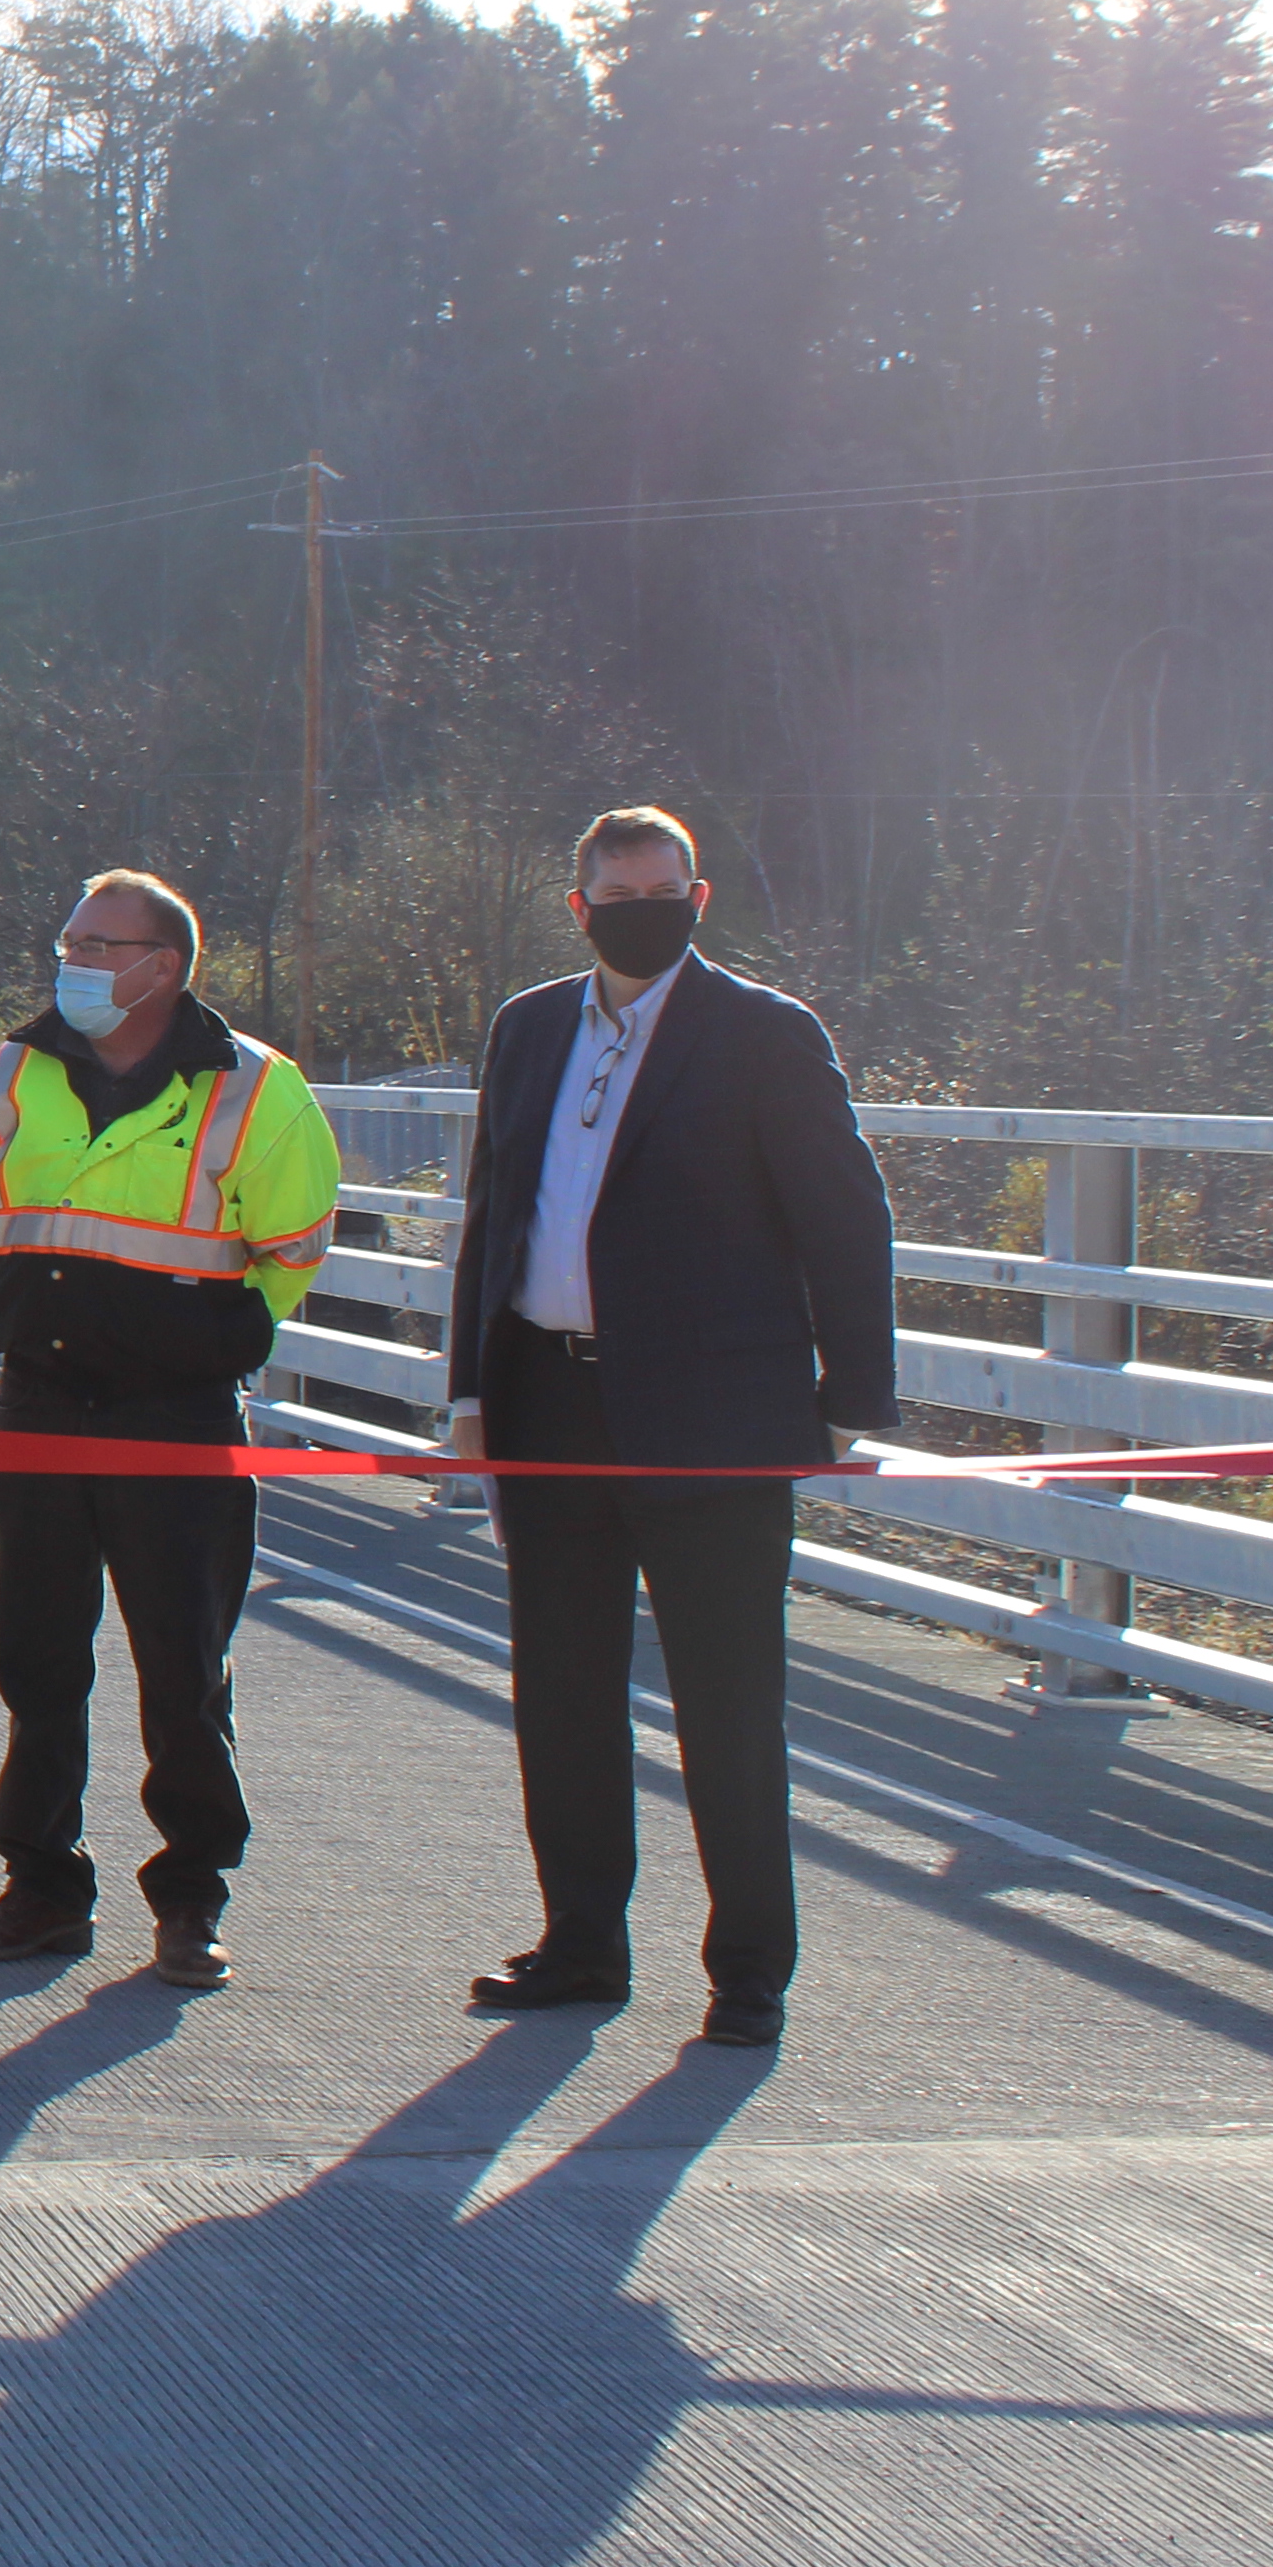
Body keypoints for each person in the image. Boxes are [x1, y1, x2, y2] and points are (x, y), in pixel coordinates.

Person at [445, 805, 895, 2050]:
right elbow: (494, 1214)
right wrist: (471, 1394)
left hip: (715, 1421)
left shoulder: (763, 1036)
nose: (642, 907)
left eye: (665, 888)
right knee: (562, 1695)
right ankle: (581, 1943)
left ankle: (749, 1968)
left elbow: (844, 1220)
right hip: (548, 1403)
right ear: (579, 908)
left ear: (697, 901)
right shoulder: (529, 1027)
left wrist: (854, 1403)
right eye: (615, 891)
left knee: (728, 1703)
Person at [0, 871, 339, 1992]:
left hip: (177, 1416)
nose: (74, 961)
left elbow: (296, 1244)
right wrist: (45, 1316)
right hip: (39, 1399)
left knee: (183, 1664)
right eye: (69, 939)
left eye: (101, 945)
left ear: (164, 966)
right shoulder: (16, 1069)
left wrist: (205, 1338)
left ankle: (192, 1897)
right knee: (36, 1656)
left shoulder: (255, 1091)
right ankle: (41, 1887)